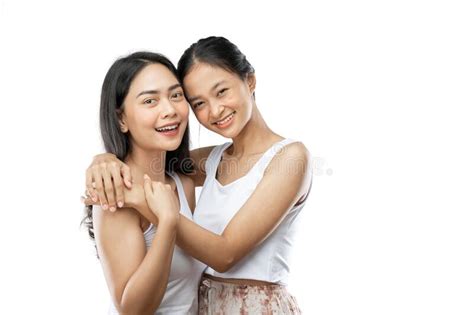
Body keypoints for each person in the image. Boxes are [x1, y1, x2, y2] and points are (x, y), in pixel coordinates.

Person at [85, 36, 312, 314]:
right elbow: (148, 163)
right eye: (199, 103)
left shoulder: (289, 158)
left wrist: (152, 207)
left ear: (250, 81)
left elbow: (224, 253)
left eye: (221, 92)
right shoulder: (209, 162)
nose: (215, 111)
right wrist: (103, 159)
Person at [82, 51, 205, 314]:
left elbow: (242, 156)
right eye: (150, 100)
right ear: (121, 119)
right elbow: (133, 310)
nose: (169, 110)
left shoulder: (182, 183)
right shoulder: (115, 197)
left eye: (176, 95)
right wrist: (167, 222)